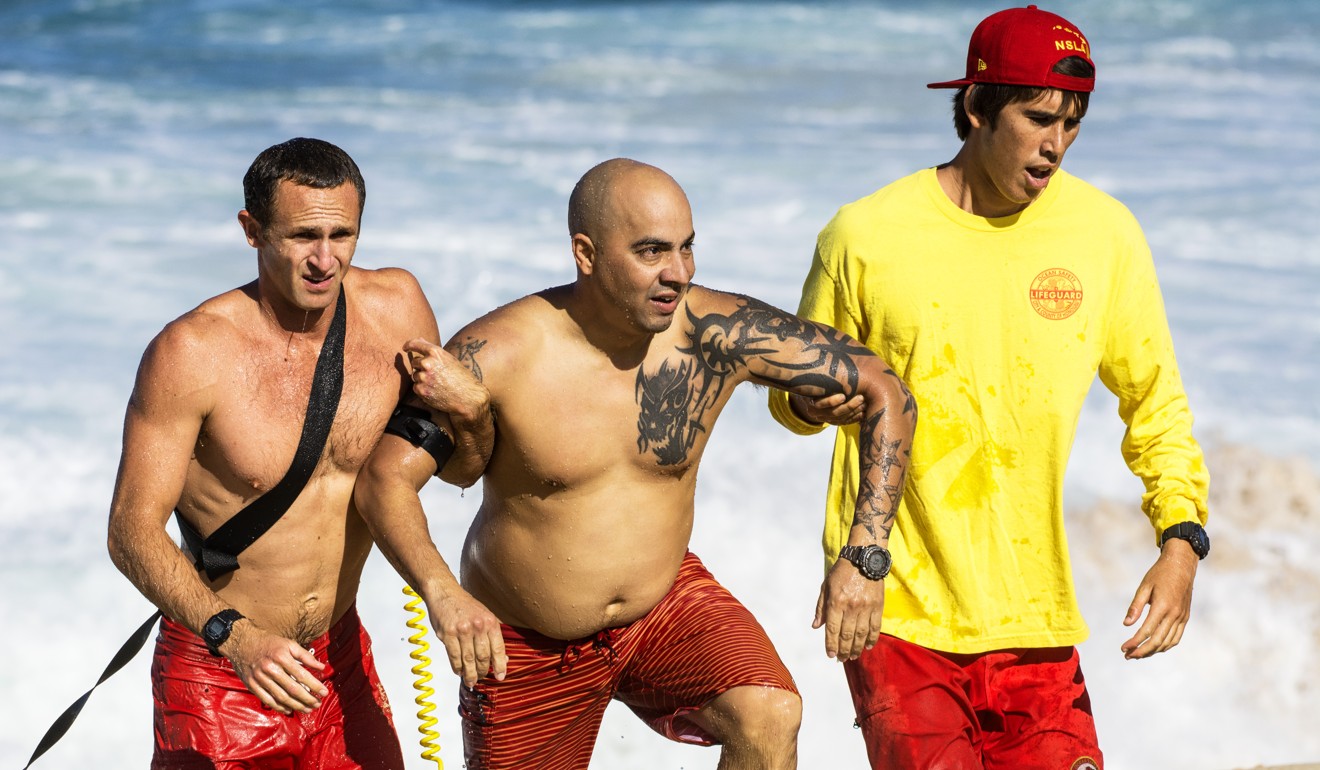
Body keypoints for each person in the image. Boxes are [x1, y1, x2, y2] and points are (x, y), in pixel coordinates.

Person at [354, 157, 917, 770]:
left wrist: (865, 557)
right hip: (525, 640)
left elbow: (886, 390)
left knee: (770, 713)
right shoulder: (504, 351)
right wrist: (444, 597)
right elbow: (385, 480)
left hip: (664, 606)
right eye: (651, 252)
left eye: (686, 248)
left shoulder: (717, 333)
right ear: (586, 253)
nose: (677, 274)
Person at [768, 6, 1211, 769]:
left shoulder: (1105, 236)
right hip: (896, 607)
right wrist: (811, 401)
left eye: (1073, 122)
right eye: (1039, 118)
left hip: (1035, 611)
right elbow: (792, 400)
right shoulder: (866, 237)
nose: (1057, 144)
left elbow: (1155, 402)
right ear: (976, 108)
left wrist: (1182, 541)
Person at [106, 137, 492, 769]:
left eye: (342, 235)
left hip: (335, 658)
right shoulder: (191, 353)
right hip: (220, 670)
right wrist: (237, 638)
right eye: (301, 237)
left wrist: (473, 412)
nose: (324, 260)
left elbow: (459, 471)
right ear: (252, 230)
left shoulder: (398, 309)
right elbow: (130, 533)